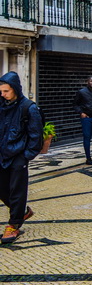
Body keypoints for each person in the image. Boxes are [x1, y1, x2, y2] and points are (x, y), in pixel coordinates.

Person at [0, 72, 42, 244]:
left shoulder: (28, 107)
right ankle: (22, 210)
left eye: (6, 91)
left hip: (19, 155)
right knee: (2, 188)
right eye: (1, 91)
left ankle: (14, 224)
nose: (2, 94)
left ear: (15, 89)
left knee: (17, 190)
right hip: (2, 153)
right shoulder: (1, 105)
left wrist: (27, 156)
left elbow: (36, 134)